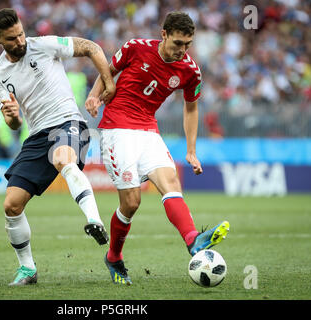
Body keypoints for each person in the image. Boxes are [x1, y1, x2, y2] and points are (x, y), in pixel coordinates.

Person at [85, 11, 230, 285]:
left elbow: (191, 107)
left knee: (170, 182)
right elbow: (108, 72)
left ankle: (193, 240)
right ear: (164, 34)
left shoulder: (190, 70)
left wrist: (191, 150)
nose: (182, 51)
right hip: (116, 126)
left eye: (188, 44)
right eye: (178, 43)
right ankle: (114, 256)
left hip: (148, 129)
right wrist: (94, 97)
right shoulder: (135, 48)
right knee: (132, 202)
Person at [0, 8, 116, 286]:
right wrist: (11, 117)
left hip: (69, 122)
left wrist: (108, 83)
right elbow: (12, 123)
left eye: (21, 33)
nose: (21, 41)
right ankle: (27, 270)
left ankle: (95, 220)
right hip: (36, 136)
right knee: (11, 205)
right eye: (12, 39)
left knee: (62, 157)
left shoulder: (44, 45)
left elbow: (91, 47)